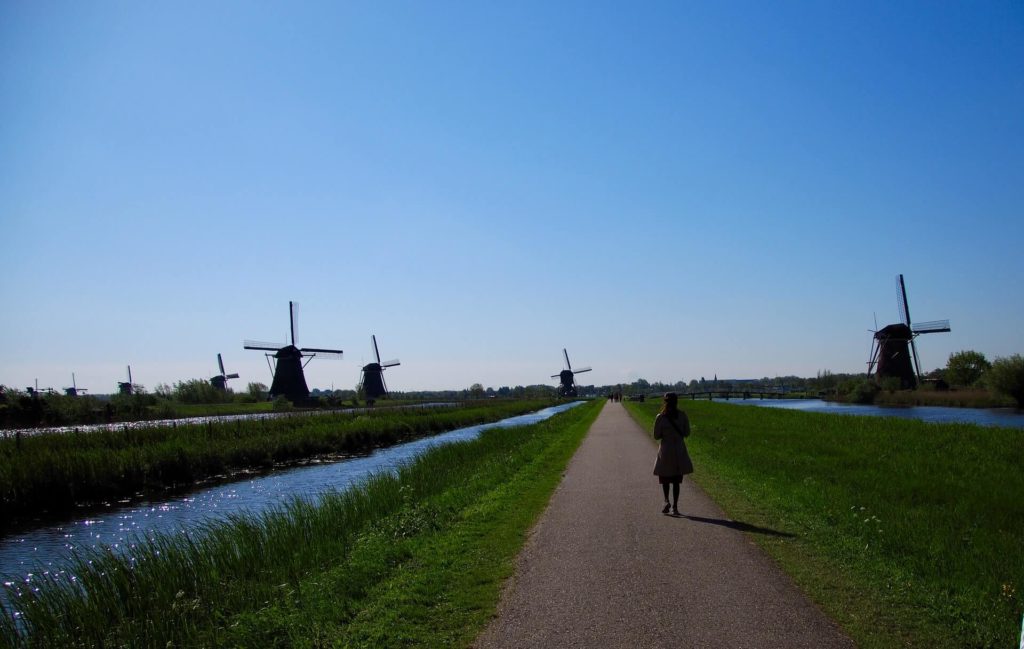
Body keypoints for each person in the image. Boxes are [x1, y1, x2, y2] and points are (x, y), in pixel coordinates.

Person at [652, 392, 693, 515]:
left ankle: (666, 501)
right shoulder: (682, 415)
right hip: (679, 451)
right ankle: (675, 506)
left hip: (665, 451)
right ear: (676, 402)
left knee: (665, 479)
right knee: (676, 480)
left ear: (665, 402)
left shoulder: (660, 417)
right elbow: (687, 433)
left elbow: (656, 436)